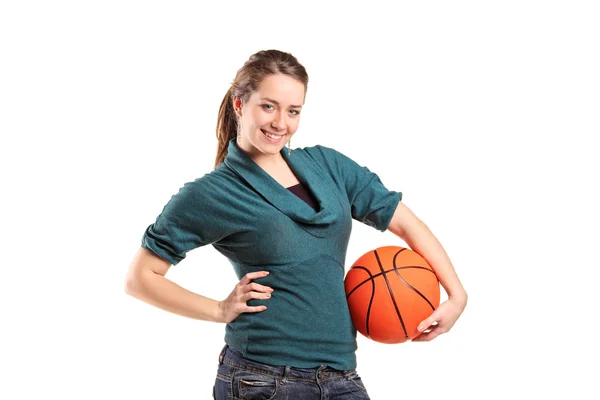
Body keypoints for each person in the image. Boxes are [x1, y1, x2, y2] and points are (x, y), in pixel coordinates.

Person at [124, 49, 468, 399]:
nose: (280, 123)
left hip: (339, 374)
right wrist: (218, 309)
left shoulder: (329, 165)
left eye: (293, 111)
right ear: (240, 104)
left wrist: (456, 295)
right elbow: (140, 278)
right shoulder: (213, 193)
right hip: (260, 377)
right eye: (268, 106)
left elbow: (408, 225)